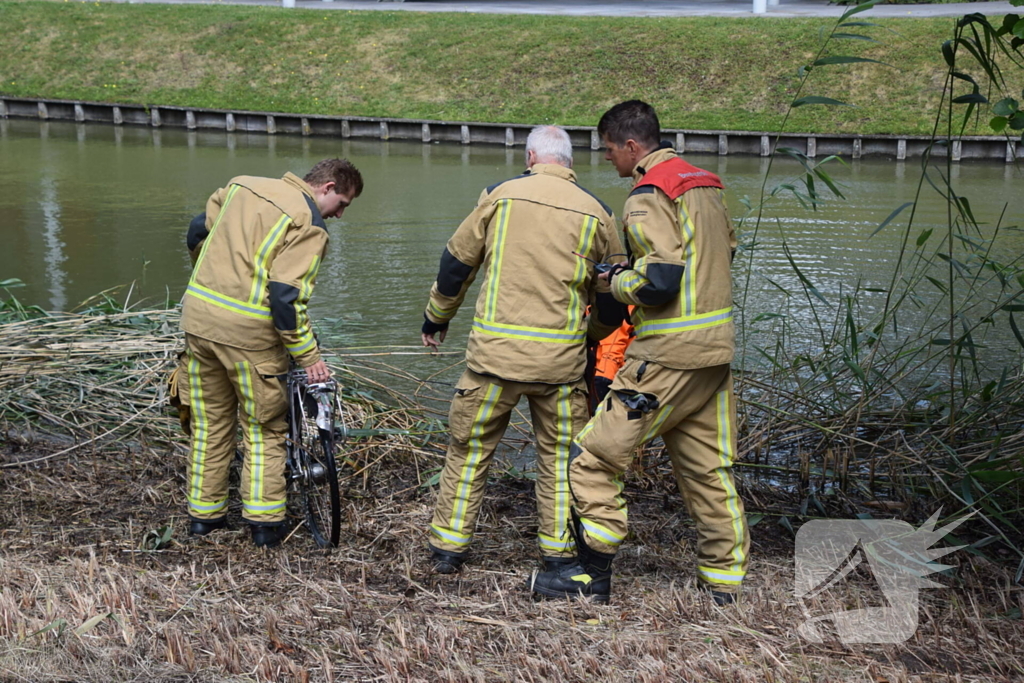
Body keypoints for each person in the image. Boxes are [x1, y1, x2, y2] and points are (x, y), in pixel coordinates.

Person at [531, 101, 749, 605]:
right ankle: (724, 581)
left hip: (668, 354)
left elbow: (658, 283)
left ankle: (591, 576)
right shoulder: (705, 185)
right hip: (715, 352)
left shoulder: (648, 192)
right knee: (708, 470)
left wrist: (614, 280)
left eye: (609, 149)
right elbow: (726, 252)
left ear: (632, 145)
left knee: (591, 457)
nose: (606, 157)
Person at [421, 125, 627, 574]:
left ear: (531, 157)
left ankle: (448, 550)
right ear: (569, 162)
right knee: (559, 460)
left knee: (469, 451)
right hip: (560, 369)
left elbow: (456, 264)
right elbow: (614, 295)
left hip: (493, 363)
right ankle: (557, 553)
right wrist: (591, 336)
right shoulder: (599, 213)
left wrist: (436, 317)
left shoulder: (499, 196)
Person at [178, 159, 363, 548]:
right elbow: (285, 299)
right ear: (328, 187)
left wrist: (210, 279)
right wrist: (310, 357)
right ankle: (264, 525)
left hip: (198, 321)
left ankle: (204, 518)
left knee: (210, 423)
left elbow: (197, 230)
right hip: (249, 336)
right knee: (264, 428)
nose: (340, 215)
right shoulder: (308, 222)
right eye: (342, 204)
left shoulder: (241, 186)